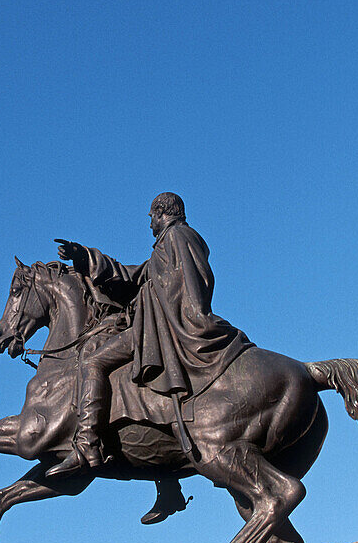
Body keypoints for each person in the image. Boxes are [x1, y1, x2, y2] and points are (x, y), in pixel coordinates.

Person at [46, 192, 253, 481]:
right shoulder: (169, 245)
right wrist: (86, 257)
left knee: (92, 362)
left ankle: (86, 445)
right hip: (156, 323)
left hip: (162, 327)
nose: (149, 224)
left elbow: (190, 286)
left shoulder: (179, 238)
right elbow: (134, 277)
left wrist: (176, 317)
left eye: (150, 217)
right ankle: (165, 484)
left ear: (160, 213)